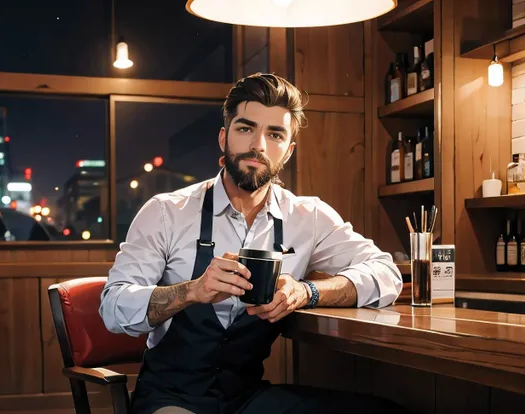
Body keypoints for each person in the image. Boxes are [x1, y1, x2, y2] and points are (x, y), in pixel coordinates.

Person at [99, 73, 405, 414]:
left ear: (287, 151)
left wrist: (307, 292)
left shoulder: (308, 216)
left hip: (246, 399)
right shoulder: (166, 211)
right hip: (171, 397)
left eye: (274, 134)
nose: (258, 144)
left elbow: (386, 273)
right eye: (245, 128)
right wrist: (191, 291)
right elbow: (114, 307)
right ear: (223, 138)